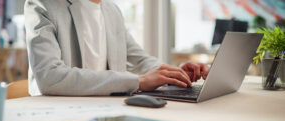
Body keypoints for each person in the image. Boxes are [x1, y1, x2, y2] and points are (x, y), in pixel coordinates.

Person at [24, 0, 210, 96]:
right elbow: (49, 77)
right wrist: (138, 81)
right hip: (56, 114)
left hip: (108, 111)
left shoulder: (112, 11)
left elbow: (141, 60)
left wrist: (174, 74)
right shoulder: (42, 4)